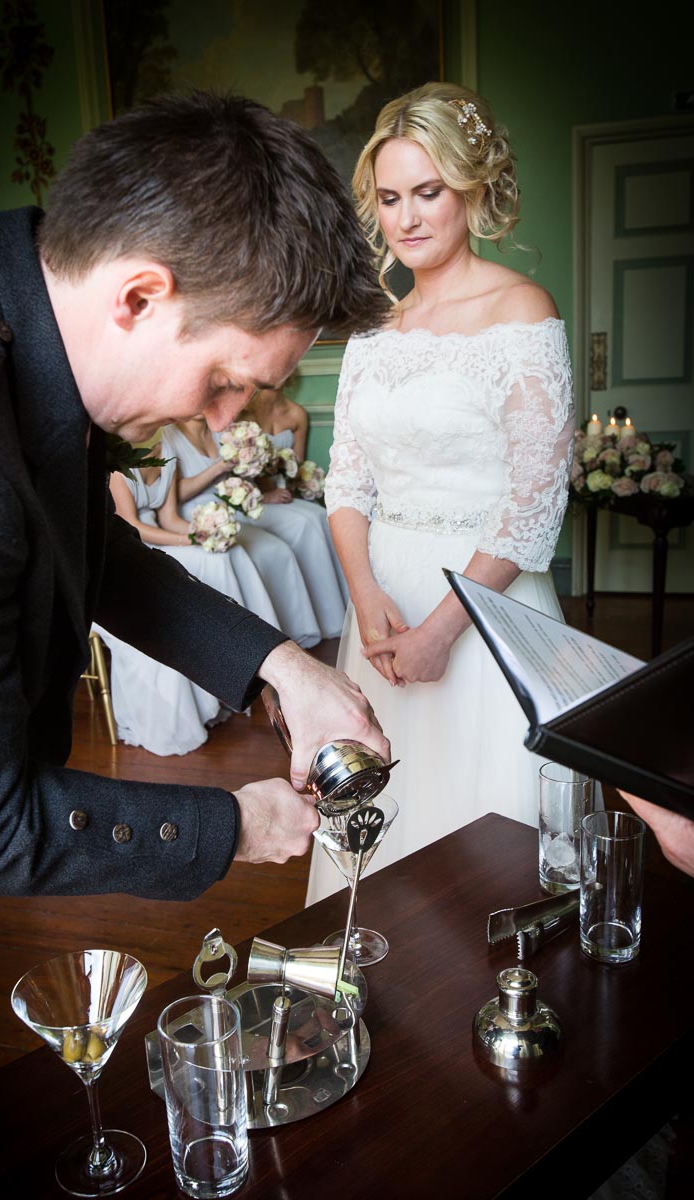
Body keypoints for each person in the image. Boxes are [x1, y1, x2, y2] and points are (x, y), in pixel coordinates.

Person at [0, 90, 391, 1116]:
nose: (219, 418)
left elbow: (96, 556)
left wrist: (283, 667)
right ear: (139, 296)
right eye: (222, 382)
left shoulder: (28, 302)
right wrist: (232, 823)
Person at [307, 81, 575, 904]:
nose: (408, 218)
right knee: (385, 825)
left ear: (470, 188)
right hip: (383, 611)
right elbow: (345, 482)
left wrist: (442, 630)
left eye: (428, 192)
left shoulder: (520, 308)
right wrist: (365, 596)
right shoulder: (372, 328)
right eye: (390, 198)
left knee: (487, 837)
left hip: (485, 607)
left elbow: (534, 500)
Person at [94, 452, 281, 755]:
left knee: (219, 556)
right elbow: (129, 526)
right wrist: (189, 541)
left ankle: (240, 664)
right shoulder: (118, 462)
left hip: (160, 538)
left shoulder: (168, 456)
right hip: (132, 548)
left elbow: (170, 518)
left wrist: (206, 533)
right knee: (199, 567)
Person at [166, 411, 349, 641]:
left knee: (280, 549)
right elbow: (173, 495)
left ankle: (306, 628)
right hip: (198, 512)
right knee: (273, 547)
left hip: (235, 502)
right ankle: (266, 638)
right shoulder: (168, 438)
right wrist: (219, 468)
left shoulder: (220, 429)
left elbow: (242, 475)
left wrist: (257, 489)